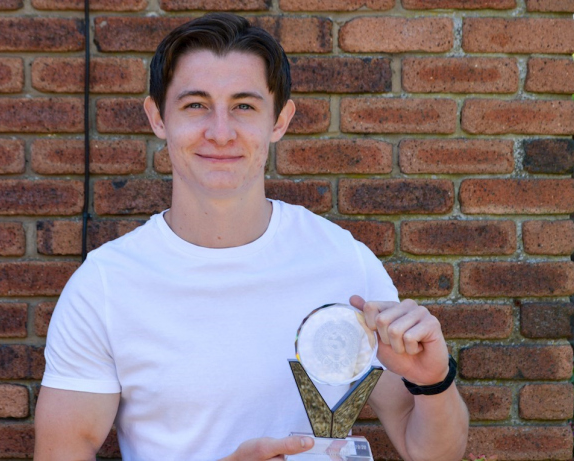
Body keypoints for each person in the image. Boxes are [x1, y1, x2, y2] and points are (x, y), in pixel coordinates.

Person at [35, 13, 469, 461]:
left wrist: (434, 381)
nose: (220, 132)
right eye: (195, 105)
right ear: (157, 117)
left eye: (243, 106)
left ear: (278, 120)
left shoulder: (344, 262)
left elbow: (433, 453)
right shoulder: (105, 285)